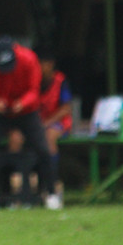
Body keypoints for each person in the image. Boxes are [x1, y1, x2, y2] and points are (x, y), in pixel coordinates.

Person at [0, 35, 62, 211]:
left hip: (25, 112)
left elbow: (34, 91)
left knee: (43, 149)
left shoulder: (28, 59)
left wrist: (23, 103)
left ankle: (50, 193)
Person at [7, 49, 73, 200]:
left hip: (57, 122)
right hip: (34, 123)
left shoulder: (60, 81)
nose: (37, 67)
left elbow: (66, 109)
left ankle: (51, 182)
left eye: (41, 64)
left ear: (50, 64)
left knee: (49, 137)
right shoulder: (30, 80)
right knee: (15, 138)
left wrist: (46, 123)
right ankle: (16, 185)